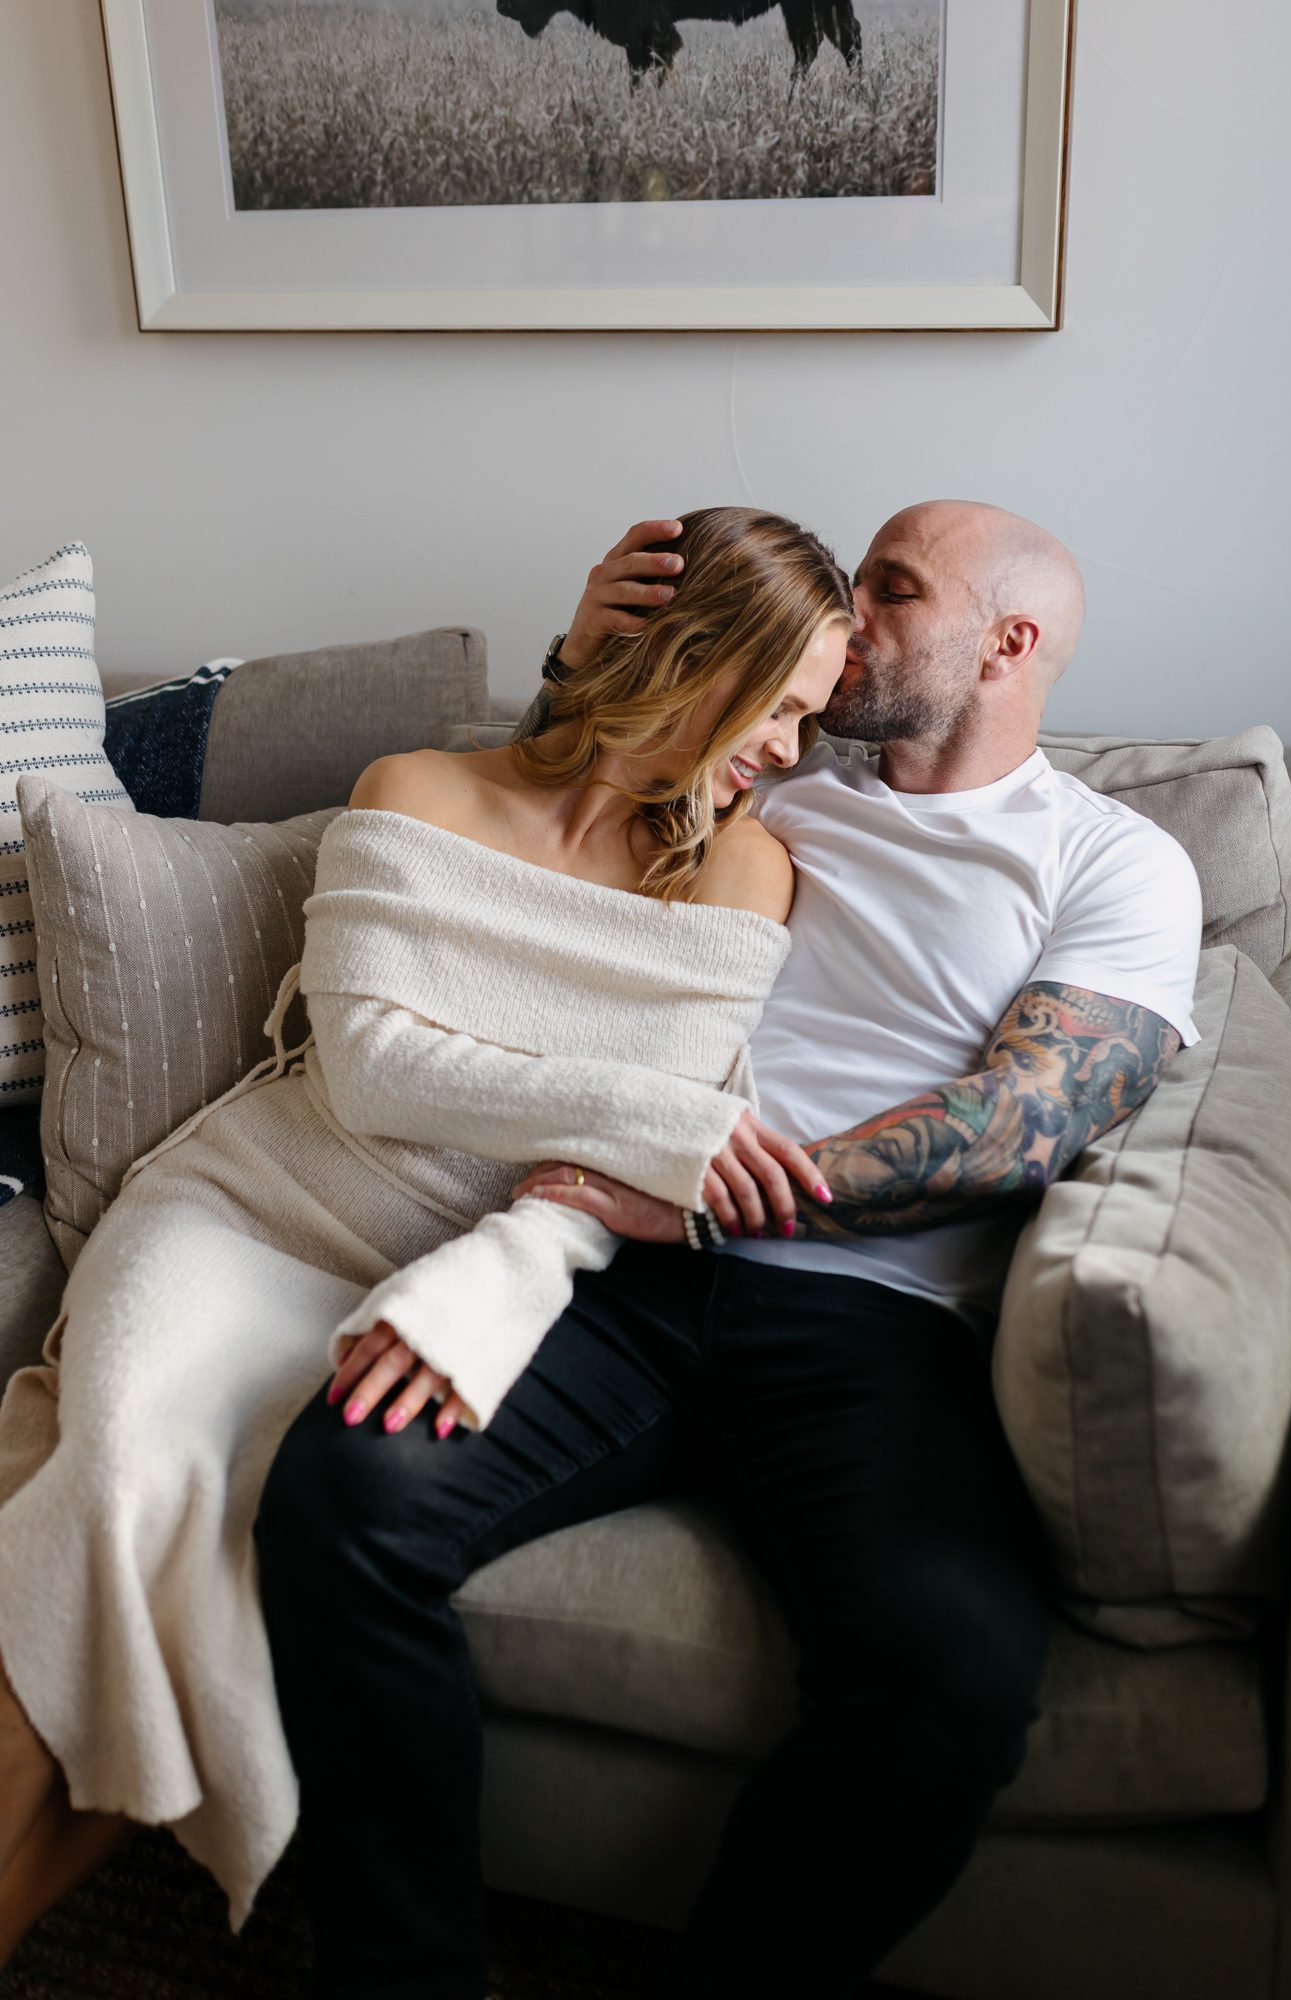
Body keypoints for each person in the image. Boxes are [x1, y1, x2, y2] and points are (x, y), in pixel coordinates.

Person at [256, 499, 1204, 2000]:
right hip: (611, 1272)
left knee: (950, 1676)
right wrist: (582, 658)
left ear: (1009, 642)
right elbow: (516, 848)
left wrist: (700, 1187)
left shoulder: (1109, 858)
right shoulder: (760, 779)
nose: (851, 620)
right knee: (342, 1499)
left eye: (893, 590)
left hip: (873, 1328)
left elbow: (1021, 1125)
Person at [0, 507, 851, 1966]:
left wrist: (519, 1258)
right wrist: (657, 1123)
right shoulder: (416, 788)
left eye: (810, 718)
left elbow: (615, 1170)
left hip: (430, 1268)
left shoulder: (739, 872)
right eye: (775, 703)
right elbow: (372, 1073)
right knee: (121, 1482)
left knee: (168, 1548)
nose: (786, 748)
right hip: (241, 1217)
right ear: (690, 659)